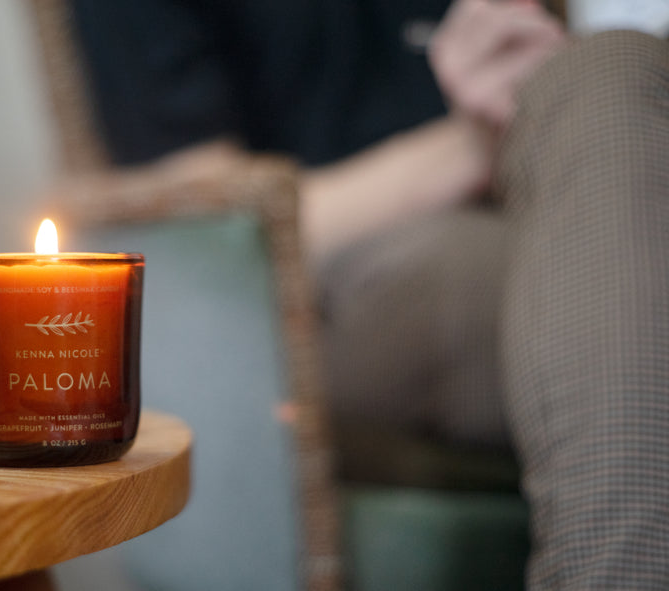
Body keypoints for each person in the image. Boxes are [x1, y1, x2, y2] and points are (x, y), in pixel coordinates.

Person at [69, 0, 669, 588]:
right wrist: (489, 134)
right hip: (327, 288)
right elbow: (215, 221)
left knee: (613, 73)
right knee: (608, 80)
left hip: (549, 223)